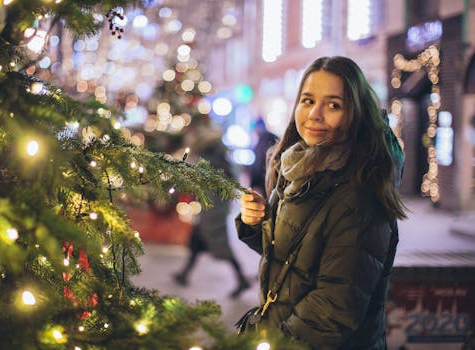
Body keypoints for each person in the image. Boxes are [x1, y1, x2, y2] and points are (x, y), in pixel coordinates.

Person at [236, 56, 406, 349]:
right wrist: (257, 223)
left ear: (356, 113)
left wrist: (273, 342)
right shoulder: (300, 168)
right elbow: (295, 258)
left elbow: (334, 307)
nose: (315, 114)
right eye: (308, 100)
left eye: (333, 105)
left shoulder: (359, 193)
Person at [173, 121, 250, 298]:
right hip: (210, 206)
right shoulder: (215, 155)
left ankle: (241, 279)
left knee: (219, 243)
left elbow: (217, 181)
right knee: (197, 241)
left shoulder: (213, 156)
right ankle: (184, 273)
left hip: (214, 208)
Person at [249, 118, 278, 198]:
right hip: (269, 180)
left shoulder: (264, 141)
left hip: (267, 180)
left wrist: (253, 183)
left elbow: (258, 164)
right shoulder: (269, 138)